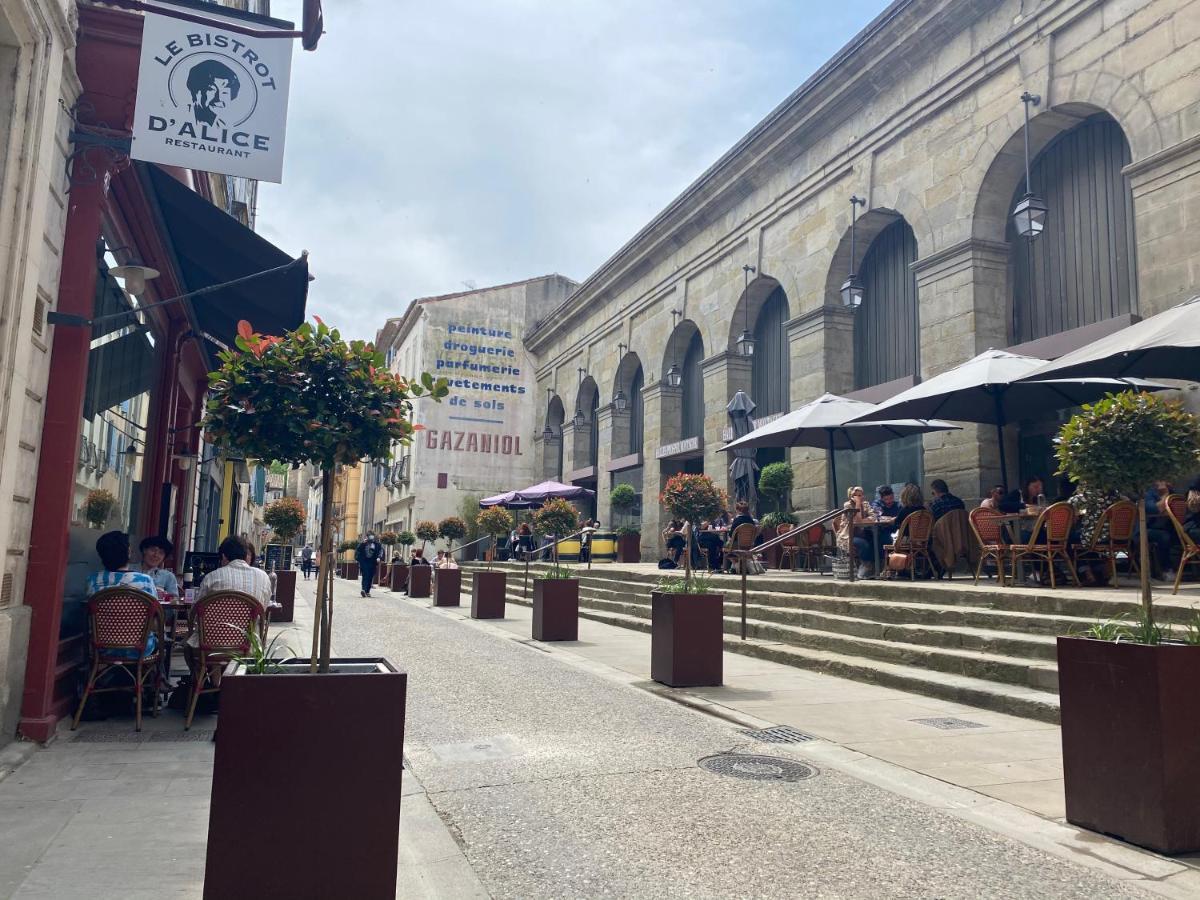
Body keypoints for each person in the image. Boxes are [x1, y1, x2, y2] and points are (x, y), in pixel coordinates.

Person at [87, 531, 160, 661]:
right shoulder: (144, 580)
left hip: (102, 647)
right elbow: (156, 619)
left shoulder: (93, 580)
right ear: (128, 552)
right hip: (139, 648)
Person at [186, 59, 240, 126]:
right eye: (211, 89)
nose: (218, 99)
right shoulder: (179, 115)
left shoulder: (223, 127)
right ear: (194, 91)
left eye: (224, 92)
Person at [836, 486, 875, 579]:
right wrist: (857, 504)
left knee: (877, 539)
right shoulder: (848, 505)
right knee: (863, 544)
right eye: (855, 495)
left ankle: (876, 568)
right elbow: (857, 521)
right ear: (851, 496)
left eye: (860, 495)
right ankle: (864, 566)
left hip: (863, 533)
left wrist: (864, 520)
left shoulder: (865, 504)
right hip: (849, 535)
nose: (858, 497)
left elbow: (873, 516)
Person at [1142, 480, 1177, 581]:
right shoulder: (1150, 494)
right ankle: (1166, 570)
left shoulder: (1173, 493)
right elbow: (1155, 510)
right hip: (1147, 528)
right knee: (1164, 537)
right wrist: (1165, 494)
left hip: (1169, 527)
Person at [355, 531, 383, 598]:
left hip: (373, 562)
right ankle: (363, 590)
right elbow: (358, 549)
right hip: (364, 562)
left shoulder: (377, 544)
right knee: (365, 575)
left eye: (372, 535)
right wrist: (362, 543)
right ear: (367, 536)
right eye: (370, 535)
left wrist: (379, 557)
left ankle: (367, 591)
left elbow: (381, 551)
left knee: (370, 576)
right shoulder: (364, 543)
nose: (371, 537)